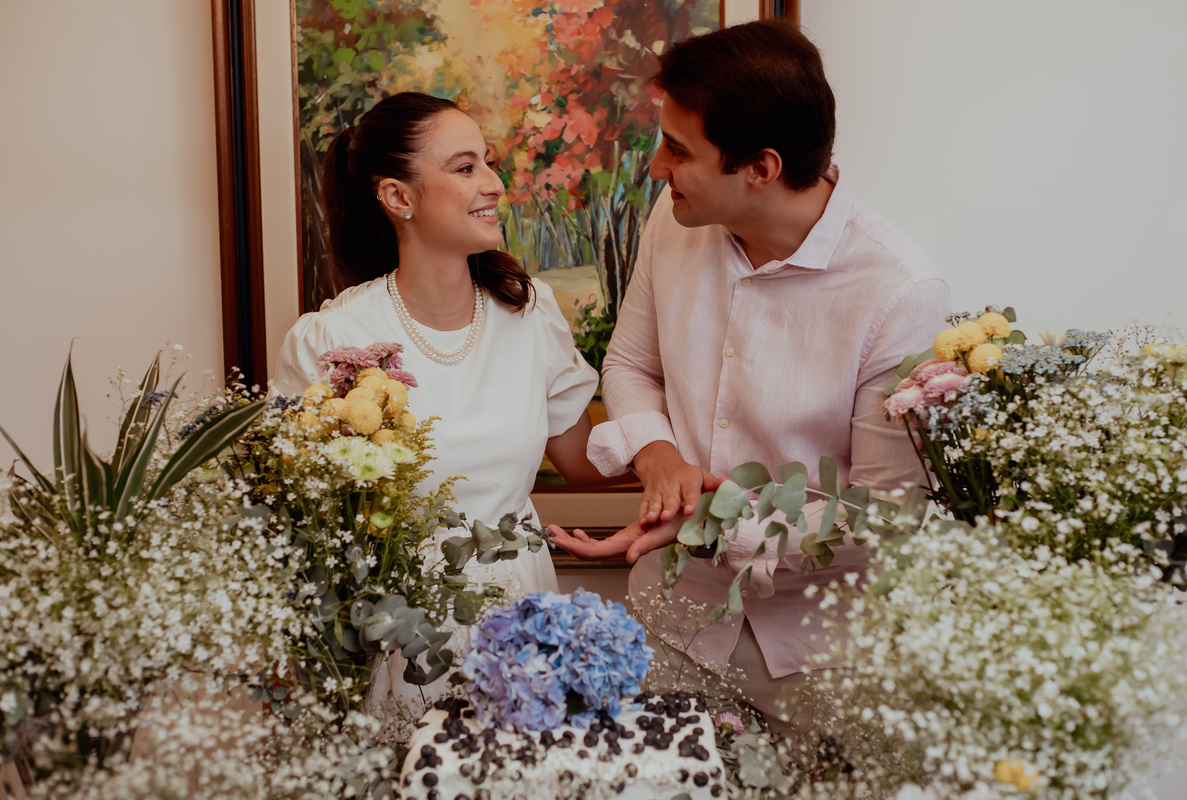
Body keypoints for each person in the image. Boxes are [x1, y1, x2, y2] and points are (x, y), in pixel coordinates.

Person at [551, 20, 952, 728]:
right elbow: (631, 363)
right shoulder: (674, 218)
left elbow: (886, 512)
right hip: (670, 626)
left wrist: (712, 522)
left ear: (761, 168)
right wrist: (659, 457)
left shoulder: (900, 290)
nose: (656, 168)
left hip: (826, 656)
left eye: (678, 150)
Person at [273, 92, 621, 718]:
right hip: (398, 629)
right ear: (397, 197)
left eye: (487, 162)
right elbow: (301, 529)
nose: (493, 183)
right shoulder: (331, 342)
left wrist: (678, 458)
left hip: (522, 615)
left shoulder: (531, 314)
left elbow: (585, 462)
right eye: (465, 168)